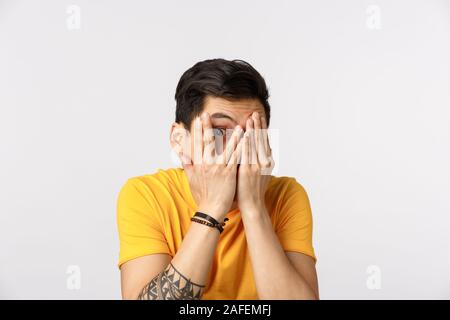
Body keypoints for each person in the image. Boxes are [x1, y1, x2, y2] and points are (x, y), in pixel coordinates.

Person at [117, 58, 319, 300]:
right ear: (179, 140)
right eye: (220, 132)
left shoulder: (286, 195)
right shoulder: (146, 195)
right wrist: (212, 208)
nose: (238, 148)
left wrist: (254, 209)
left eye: (251, 134)